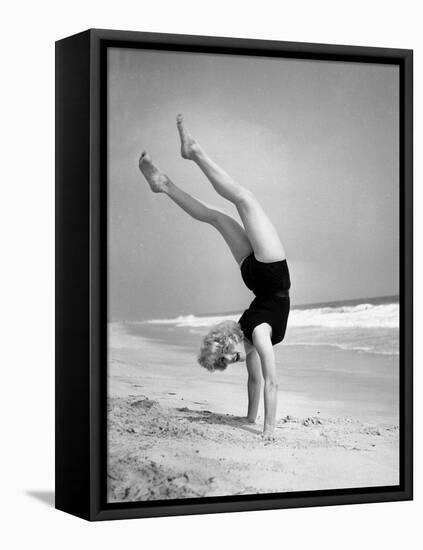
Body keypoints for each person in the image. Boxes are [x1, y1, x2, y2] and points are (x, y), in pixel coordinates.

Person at [139, 115, 291, 441]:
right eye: (230, 356)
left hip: (270, 271)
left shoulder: (258, 335)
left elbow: (265, 381)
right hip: (255, 275)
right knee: (218, 215)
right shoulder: (250, 333)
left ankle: (193, 153)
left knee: (242, 201)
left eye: (230, 355)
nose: (235, 357)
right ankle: (164, 184)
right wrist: (256, 423)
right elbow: (261, 381)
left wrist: (266, 428)